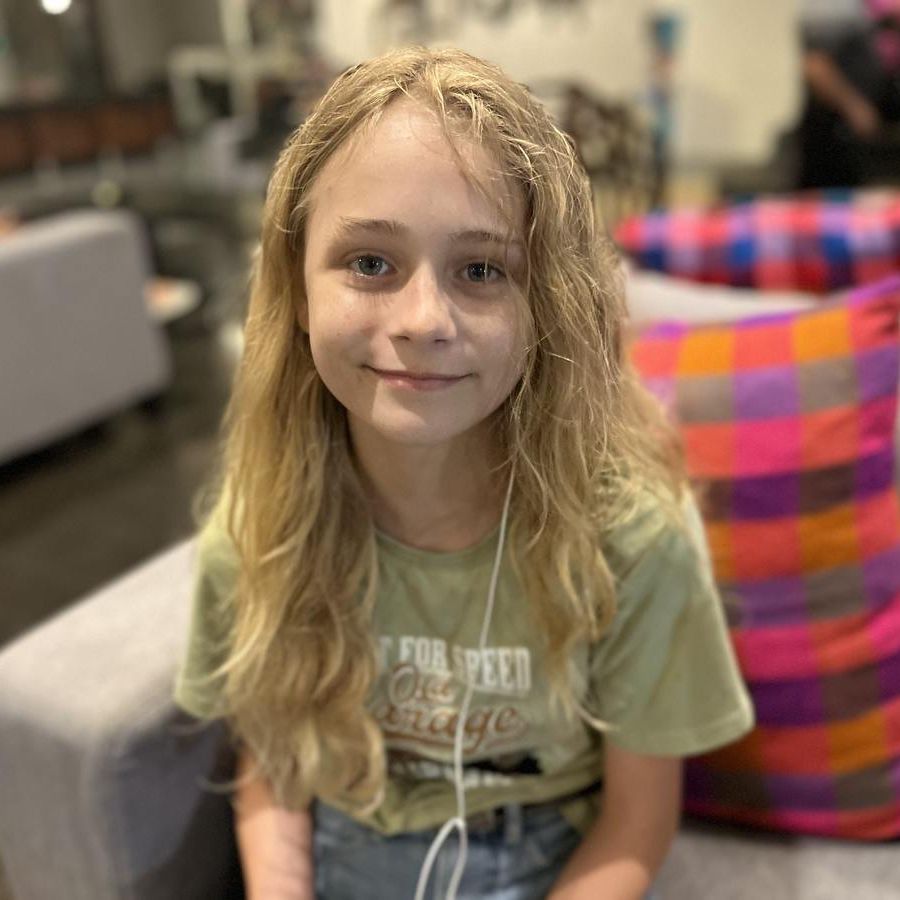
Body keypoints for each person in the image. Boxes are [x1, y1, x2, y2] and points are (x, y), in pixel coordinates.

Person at [174, 46, 754, 900]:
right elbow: (273, 766)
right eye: (370, 262)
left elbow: (637, 822)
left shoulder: (632, 538)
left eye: (481, 270)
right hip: (347, 847)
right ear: (297, 288)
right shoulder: (261, 527)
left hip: (550, 859)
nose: (423, 320)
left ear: (545, 302)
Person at [796, 0, 900, 189]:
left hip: (869, 136)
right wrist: (854, 107)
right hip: (833, 136)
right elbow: (815, 65)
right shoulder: (833, 7)